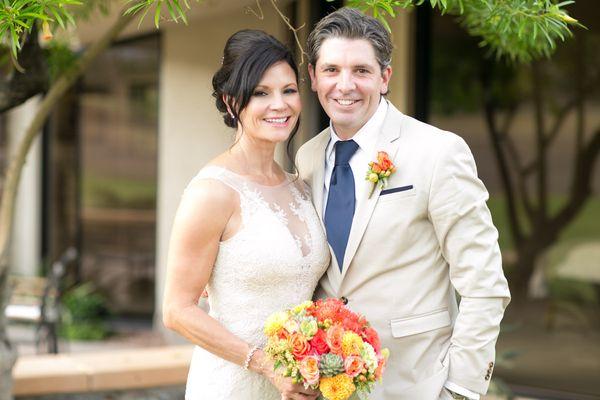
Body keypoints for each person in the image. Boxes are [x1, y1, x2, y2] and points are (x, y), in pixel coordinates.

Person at [296, 8, 511, 400]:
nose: (345, 85)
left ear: (384, 77)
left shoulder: (439, 152)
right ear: (312, 77)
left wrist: (461, 389)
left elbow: (484, 283)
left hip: (418, 383)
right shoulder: (307, 159)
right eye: (331, 70)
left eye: (361, 70)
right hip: (331, 387)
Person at [162, 29, 329, 400]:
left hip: (298, 388)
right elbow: (176, 310)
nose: (279, 104)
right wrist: (267, 365)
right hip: (232, 384)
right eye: (261, 93)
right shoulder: (212, 192)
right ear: (231, 100)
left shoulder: (301, 186)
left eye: (288, 90)